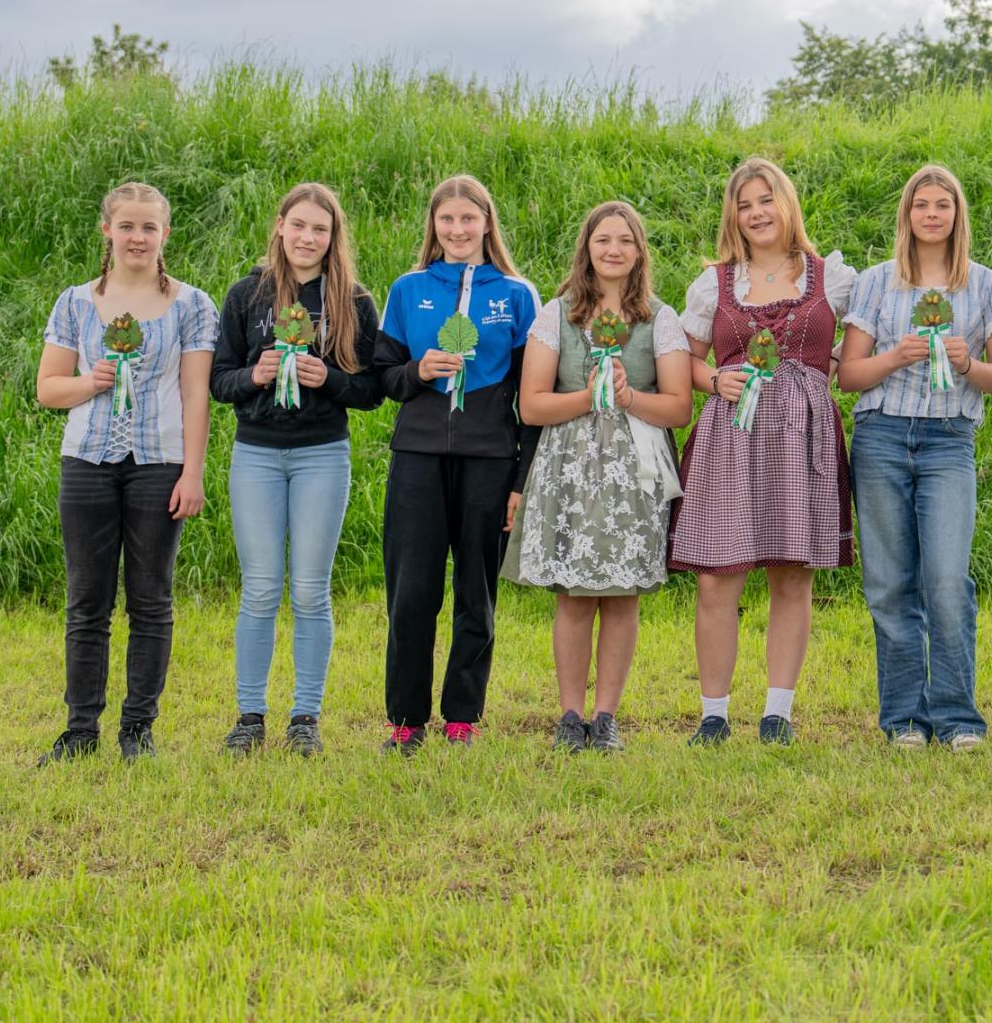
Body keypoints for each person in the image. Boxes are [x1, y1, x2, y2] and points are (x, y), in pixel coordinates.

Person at [670, 157, 856, 746]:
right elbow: (682, 359)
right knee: (716, 577)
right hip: (732, 436)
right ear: (733, 216)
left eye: (765, 200)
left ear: (787, 204)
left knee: (791, 574)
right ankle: (714, 715)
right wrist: (713, 379)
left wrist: (821, 372)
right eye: (744, 205)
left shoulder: (832, 278)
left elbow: (856, 348)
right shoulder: (714, 285)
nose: (756, 213)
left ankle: (778, 713)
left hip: (802, 437)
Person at [35, 182, 218, 764]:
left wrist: (192, 473)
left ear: (165, 234)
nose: (137, 237)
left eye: (149, 227)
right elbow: (47, 389)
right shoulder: (75, 302)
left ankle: (138, 729)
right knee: (86, 601)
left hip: (159, 465)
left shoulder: (192, 305)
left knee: (151, 600)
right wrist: (92, 382)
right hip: (86, 463)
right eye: (127, 226)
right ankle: (80, 730)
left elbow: (196, 394)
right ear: (107, 231)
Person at [838, 164, 992, 752]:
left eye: (943, 205)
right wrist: (897, 356)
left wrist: (967, 363)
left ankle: (959, 717)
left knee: (946, 582)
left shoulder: (987, 285)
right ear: (907, 215)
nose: (932, 215)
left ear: (957, 214)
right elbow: (849, 375)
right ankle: (904, 720)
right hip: (881, 437)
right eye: (922, 205)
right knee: (890, 585)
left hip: (948, 441)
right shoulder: (875, 282)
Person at [503, 201, 691, 753]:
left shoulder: (660, 318)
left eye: (625, 241)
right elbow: (532, 405)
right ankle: (569, 714)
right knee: (574, 595)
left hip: (635, 469)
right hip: (570, 466)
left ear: (639, 252)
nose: (614, 249)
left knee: (623, 595)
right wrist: (588, 397)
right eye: (603, 239)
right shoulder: (556, 314)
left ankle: (606, 716)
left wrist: (629, 397)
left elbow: (678, 407)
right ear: (587, 247)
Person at [210, 183, 383, 757]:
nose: (308, 238)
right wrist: (254, 376)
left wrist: (328, 380)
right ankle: (249, 716)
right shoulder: (246, 295)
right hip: (256, 455)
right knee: (260, 589)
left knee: (310, 590)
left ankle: (305, 716)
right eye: (299, 225)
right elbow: (219, 381)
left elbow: (371, 390)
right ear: (280, 225)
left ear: (334, 237)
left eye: (320, 230)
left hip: (321, 455)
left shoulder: (353, 301)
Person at [373, 175, 539, 753]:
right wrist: (417, 371)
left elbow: (532, 401)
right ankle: (406, 719)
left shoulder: (517, 294)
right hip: (417, 459)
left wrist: (521, 478)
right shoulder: (407, 289)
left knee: (476, 592)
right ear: (434, 225)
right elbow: (382, 377)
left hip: (489, 461)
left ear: (487, 223)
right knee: (411, 593)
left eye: (468, 218)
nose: (458, 229)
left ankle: (463, 715)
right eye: (447, 219)